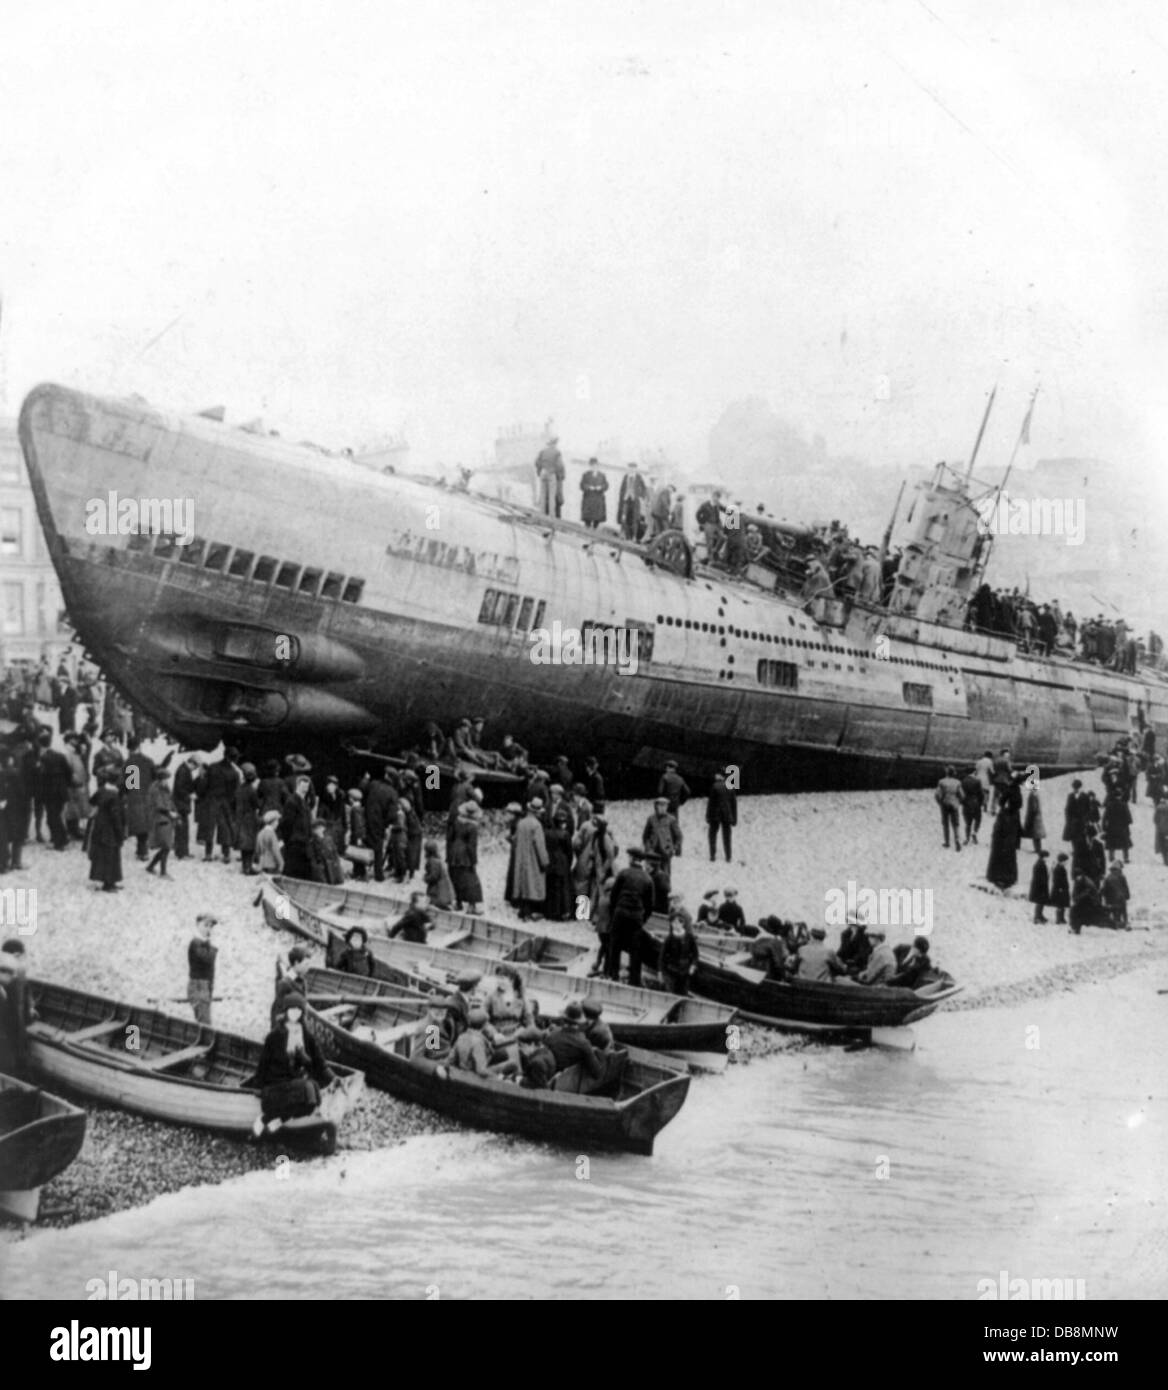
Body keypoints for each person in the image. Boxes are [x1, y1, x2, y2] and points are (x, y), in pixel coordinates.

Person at [252, 997, 335, 1133]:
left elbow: (320, 1062)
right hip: (275, 1082)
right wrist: (257, 1086)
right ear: (285, 1011)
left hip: (293, 1080)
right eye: (292, 1009)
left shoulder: (306, 1035)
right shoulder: (275, 1035)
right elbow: (263, 1062)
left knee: (313, 1098)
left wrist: (333, 1078)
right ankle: (265, 1119)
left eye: (299, 1010)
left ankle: (281, 1119)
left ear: (302, 1013)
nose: (295, 1013)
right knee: (308, 1088)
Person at [607, 848, 654, 985]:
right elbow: (650, 905)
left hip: (620, 913)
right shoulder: (647, 878)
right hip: (636, 916)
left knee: (615, 944)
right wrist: (642, 918)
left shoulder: (623, 873)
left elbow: (613, 896)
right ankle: (634, 980)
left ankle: (613, 975)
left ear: (632, 859)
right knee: (635, 948)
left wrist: (615, 913)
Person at [543, 1001, 604, 1081]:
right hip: (566, 1082)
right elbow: (597, 1073)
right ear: (579, 1022)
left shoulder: (552, 1034)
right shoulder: (583, 1043)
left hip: (548, 1076)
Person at [87, 767, 125, 891]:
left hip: (99, 827)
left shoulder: (101, 791)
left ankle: (107, 881)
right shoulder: (114, 795)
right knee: (111, 856)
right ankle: (109, 883)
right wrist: (120, 833)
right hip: (110, 829)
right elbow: (116, 817)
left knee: (102, 855)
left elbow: (91, 801)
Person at [513, 801, 549, 921]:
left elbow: (515, 839)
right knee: (533, 884)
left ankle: (522, 911)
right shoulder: (537, 825)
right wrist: (544, 861)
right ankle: (530, 912)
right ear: (537, 812)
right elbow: (540, 845)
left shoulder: (521, 823)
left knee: (523, 883)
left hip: (521, 857)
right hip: (532, 857)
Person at [986, 774, 1023, 890]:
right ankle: (1009, 876)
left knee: (999, 848)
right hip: (1014, 821)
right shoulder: (1018, 792)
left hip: (1005, 821)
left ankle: (995, 875)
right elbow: (1019, 805)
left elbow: (1001, 802)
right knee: (1010, 850)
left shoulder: (1008, 791)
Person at [448, 801, 485, 913]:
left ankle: (458, 902)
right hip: (465, 854)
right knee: (471, 879)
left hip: (454, 851)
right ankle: (471, 905)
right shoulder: (472, 827)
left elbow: (450, 837)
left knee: (456, 877)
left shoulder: (457, 822)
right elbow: (471, 846)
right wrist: (474, 860)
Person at [278, 776, 315, 880]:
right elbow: (287, 823)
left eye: (307, 787)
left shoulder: (304, 803)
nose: (305, 789)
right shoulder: (292, 802)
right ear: (297, 786)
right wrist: (288, 840)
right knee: (292, 873)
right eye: (303, 786)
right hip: (295, 842)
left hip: (304, 842)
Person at [642, 796, 682, 892]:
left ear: (667, 807)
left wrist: (674, 848)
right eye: (660, 806)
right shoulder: (651, 819)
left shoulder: (671, 819)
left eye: (665, 806)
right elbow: (645, 836)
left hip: (666, 851)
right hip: (653, 851)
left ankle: (666, 892)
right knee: (650, 873)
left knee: (666, 874)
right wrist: (648, 848)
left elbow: (679, 836)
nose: (662, 808)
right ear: (656, 806)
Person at [144, 765, 177, 878]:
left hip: (165, 819)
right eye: (165, 779)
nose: (167, 781)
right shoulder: (156, 790)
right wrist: (170, 813)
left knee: (165, 846)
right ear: (161, 779)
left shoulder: (163, 788)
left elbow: (170, 801)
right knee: (166, 846)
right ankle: (162, 872)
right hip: (160, 819)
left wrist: (174, 811)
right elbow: (159, 805)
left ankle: (151, 867)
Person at [187, 914, 218, 1024]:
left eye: (210, 926)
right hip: (199, 987)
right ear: (197, 925)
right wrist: (213, 946)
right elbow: (207, 958)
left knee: (203, 1022)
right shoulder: (196, 943)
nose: (208, 929)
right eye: (205, 925)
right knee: (205, 1024)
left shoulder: (203, 943)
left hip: (204, 986)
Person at [657, 912, 699, 994]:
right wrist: (660, 971)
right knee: (670, 992)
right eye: (673, 923)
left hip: (685, 971)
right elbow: (661, 956)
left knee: (683, 992)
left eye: (677, 923)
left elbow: (695, 953)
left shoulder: (689, 937)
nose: (675, 925)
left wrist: (693, 965)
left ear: (682, 924)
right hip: (671, 971)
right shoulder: (669, 938)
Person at [271, 946, 312, 1025]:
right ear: (296, 963)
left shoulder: (301, 979)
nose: (308, 967)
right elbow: (277, 1014)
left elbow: (290, 970)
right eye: (306, 964)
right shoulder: (284, 984)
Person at [705, 770, 738, 862]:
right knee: (727, 836)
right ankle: (728, 856)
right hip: (727, 814)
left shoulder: (715, 786)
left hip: (715, 814)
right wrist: (734, 819)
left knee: (712, 835)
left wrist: (708, 815)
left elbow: (711, 803)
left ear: (719, 776)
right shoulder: (731, 787)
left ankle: (712, 855)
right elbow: (734, 805)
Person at [307, 818, 345, 884]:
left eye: (319, 828)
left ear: (323, 828)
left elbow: (335, 856)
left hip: (332, 870)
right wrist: (318, 872)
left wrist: (339, 874)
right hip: (321, 872)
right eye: (315, 829)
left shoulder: (329, 840)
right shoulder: (312, 843)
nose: (317, 831)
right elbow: (313, 860)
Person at [534, 437, 564, 518]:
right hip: (551, 473)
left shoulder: (542, 451)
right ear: (554, 444)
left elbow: (536, 462)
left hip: (543, 472)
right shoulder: (557, 452)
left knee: (543, 494)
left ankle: (542, 513)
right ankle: (552, 515)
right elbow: (560, 466)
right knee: (551, 495)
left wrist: (540, 471)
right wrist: (557, 474)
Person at [618, 462, 648, 541]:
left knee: (635, 519)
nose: (631, 469)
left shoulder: (638, 477)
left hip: (635, 501)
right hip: (626, 500)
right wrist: (622, 497)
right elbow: (622, 489)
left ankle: (634, 536)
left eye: (633, 468)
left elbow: (644, 488)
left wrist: (641, 496)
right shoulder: (625, 476)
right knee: (624, 517)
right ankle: (623, 533)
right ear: (628, 468)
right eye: (630, 468)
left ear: (635, 469)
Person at [1101, 792, 1132, 864]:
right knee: (1125, 844)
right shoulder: (1124, 805)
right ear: (1120, 796)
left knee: (1111, 843)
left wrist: (1104, 827)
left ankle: (1111, 857)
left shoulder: (1109, 805)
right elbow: (1128, 818)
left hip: (1111, 827)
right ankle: (1126, 858)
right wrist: (1126, 823)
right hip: (1122, 828)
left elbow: (1105, 817)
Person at [423, 839, 455, 909]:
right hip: (442, 890)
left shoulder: (433, 861)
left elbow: (434, 876)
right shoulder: (436, 860)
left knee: (433, 903)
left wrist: (425, 878)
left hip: (439, 891)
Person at [1102, 861, 1131, 930]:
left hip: (1111, 900)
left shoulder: (1108, 878)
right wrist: (1127, 896)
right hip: (1121, 899)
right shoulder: (1122, 877)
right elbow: (1125, 887)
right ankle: (1125, 922)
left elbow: (1104, 890)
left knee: (1115, 912)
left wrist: (1105, 898)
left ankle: (1115, 922)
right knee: (1123, 912)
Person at [580, 458, 608, 528]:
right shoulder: (586, 475)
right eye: (592, 466)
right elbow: (582, 485)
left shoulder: (602, 475)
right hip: (588, 499)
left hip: (598, 500)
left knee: (597, 519)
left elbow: (606, 485)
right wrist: (589, 487)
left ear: (598, 466)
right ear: (590, 466)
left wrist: (601, 487)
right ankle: (587, 528)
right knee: (587, 519)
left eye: (595, 465)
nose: (594, 467)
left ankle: (595, 529)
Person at [255, 809, 284, 874]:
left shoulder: (260, 833)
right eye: (277, 821)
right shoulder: (272, 834)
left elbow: (258, 850)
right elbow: (276, 851)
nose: (278, 823)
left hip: (262, 865)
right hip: (272, 865)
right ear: (273, 822)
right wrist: (281, 864)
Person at [1022, 780, 1046, 854]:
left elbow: (1033, 808)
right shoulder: (1036, 794)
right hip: (1037, 818)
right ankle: (1038, 849)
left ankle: (1037, 849)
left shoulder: (1032, 795)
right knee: (1036, 835)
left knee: (1035, 835)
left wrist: (1030, 817)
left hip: (1034, 818)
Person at [1028, 849, 1050, 924]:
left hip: (1040, 886)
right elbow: (1039, 877)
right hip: (1039, 887)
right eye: (1046, 857)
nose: (1047, 858)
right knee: (1040, 902)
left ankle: (1040, 915)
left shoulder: (1041, 863)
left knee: (1041, 902)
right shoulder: (1040, 864)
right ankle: (1037, 916)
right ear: (1043, 857)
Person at [1050, 852, 1071, 926]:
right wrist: (1060, 888)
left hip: (1063, 889)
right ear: (1062, 861)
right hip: (1059, 889)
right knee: (1059, 905)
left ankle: (1062, 918)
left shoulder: (1061, 868)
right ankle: (1058, 919)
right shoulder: (1058, 869)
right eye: (1065, 861)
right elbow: (1056, 880)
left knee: (1062, 904)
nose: (1066, 863)